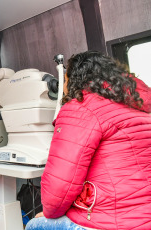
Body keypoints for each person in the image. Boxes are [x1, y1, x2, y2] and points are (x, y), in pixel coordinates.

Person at [25, 51, 151, 230]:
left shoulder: (80, 107)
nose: (65, 87)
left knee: (34, 225)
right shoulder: (136, 105)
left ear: (75, 80)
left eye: (66, 81)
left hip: (112, 222)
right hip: (144, 217)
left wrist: (48, 214)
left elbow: (56, 194)